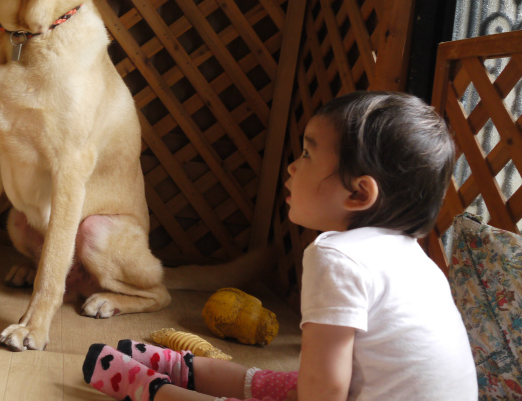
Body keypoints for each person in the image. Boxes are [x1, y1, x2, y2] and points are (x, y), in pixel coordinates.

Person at [82, 91, 478, 401]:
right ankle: (187, 369)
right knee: (285, 383)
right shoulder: (415, 260)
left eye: (307, 153)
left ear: (359, 193)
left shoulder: (338, 257)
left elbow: (324, 394)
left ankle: (154, 390)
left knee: (286, 388)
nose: (292, 165)